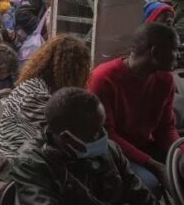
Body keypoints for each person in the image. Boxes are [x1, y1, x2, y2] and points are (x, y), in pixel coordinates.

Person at [11, 88, 160, 205]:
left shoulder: (110, 150)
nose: (103, 136)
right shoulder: (31, 163)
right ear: (66, 137)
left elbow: (142, 196)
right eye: (94, 133)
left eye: (102, 127)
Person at [88, 23, 182, 195]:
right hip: (113, 153)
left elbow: (165, 127)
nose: (179, 55)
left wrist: (181, 153)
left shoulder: (165, 80)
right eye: (175, 49)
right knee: (149, 186)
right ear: (154, 52)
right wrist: (155, 166)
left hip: (144, 148)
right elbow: (107, 135)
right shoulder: (103, 78)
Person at [0, 35, 91, 158]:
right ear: (71, 71)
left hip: (27, 158)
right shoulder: (35, 96)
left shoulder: (41, 87)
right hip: (13, 164)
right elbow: (56, 144)